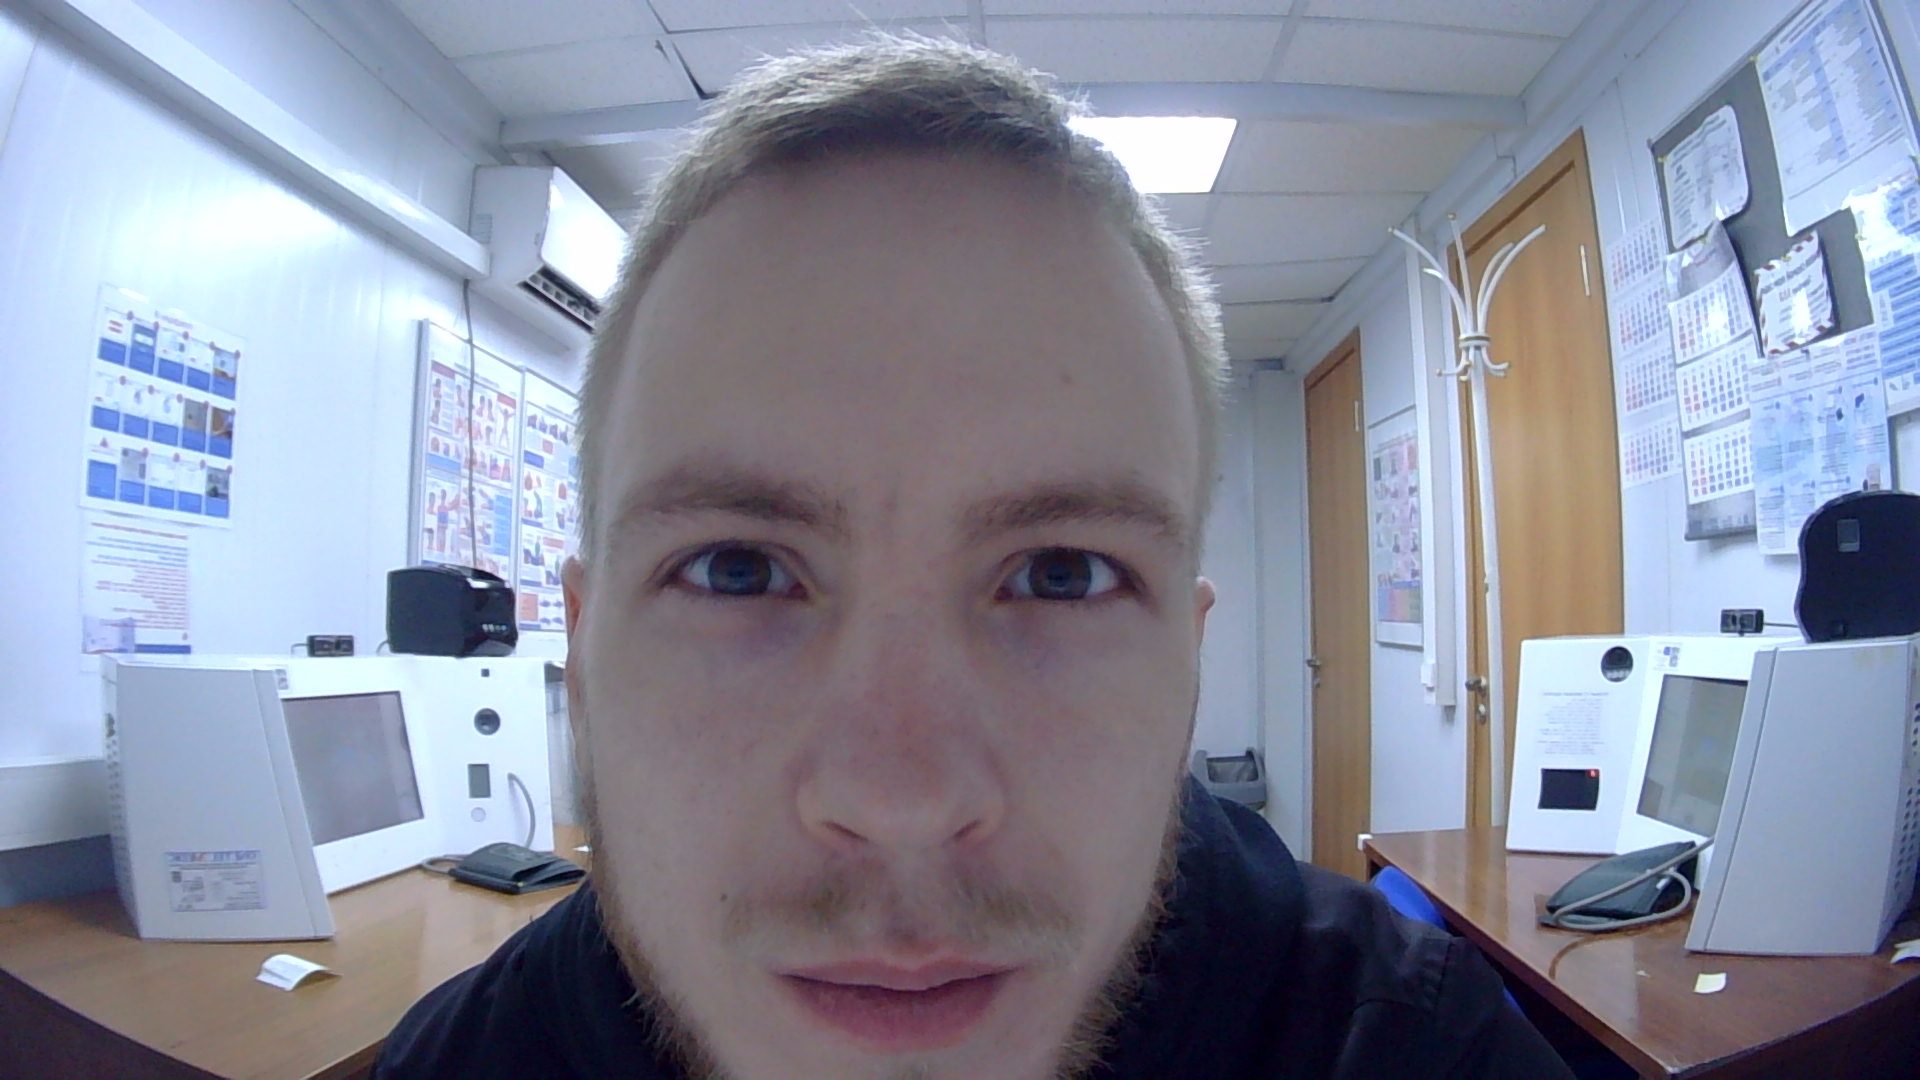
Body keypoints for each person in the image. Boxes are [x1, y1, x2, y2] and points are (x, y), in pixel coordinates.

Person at [375, 35, 1575, 1080]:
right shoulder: (462, 1061)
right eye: (737, 568)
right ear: (585, 658)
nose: (902, 801)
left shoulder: (1414, 1046)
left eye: (1063, 574)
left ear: (1188, 667)